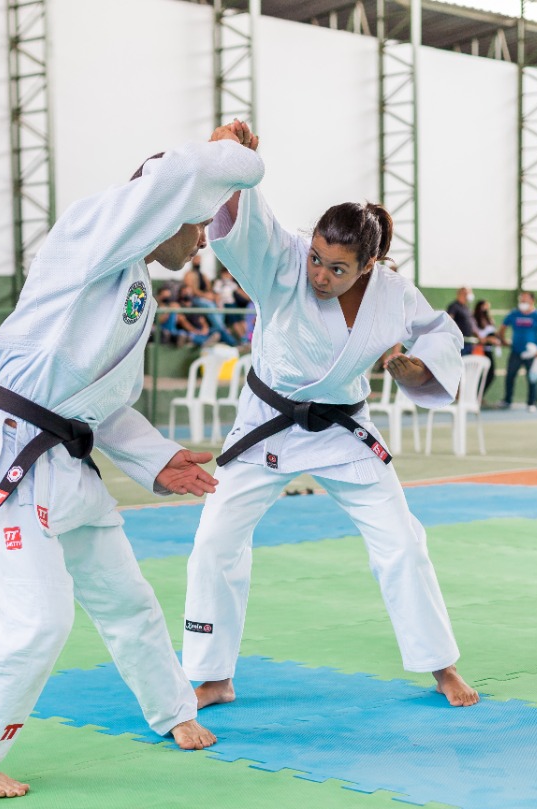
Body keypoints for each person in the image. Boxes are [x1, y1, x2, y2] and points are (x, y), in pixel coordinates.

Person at [0, 122, 265, 800]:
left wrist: (158, 459)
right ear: (163, 208)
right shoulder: (90, 236)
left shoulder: (129, 285)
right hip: (12, 460)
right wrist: (234, 156)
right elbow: (164, 181)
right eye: (196, 223)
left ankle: (173, 709)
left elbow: (99, 406)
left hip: (67, 466)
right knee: (37, 621)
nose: (200, 241)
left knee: (128, 600)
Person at [181, 149, 478, 714]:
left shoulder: (393, 294)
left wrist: (416, 368)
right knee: (215, 544)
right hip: (268, 422)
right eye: (316, 258)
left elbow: (439, 331)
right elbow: (249, 224)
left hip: (344, 427)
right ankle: (211, 674)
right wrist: (232, 163)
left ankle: (441, 663)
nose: (319, 275)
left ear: (369, 265)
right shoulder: (285, 262)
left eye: (337, 269)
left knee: (402, 542)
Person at [499, 291, 537, 412]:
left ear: (532, 301)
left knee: (532, 378)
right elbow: (502, 327)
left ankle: (532, 402)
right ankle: (507, 400)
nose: (522, 302)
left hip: (531, 353)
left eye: (525, 300)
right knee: (510, 376)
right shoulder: (514, 314)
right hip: (515, 351)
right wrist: (503, 340)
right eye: (521, 300)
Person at [473, 299, 501, 400]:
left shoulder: (489, 320)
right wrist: (489, 339)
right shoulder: (474, 319)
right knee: (477, 374)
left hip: (489, 350)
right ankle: (475, 396)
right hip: (481, 350)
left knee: (490, 374)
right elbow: (479, 337)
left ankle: (479, 395)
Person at [446, 287, 479, 356]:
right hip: (459, 342)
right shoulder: (454, 306)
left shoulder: (466, 307)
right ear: (461, 293)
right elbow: (449, 321)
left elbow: (471, 324)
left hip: (468, 343)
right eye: (467, 293)